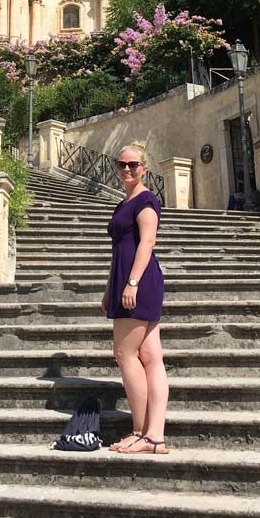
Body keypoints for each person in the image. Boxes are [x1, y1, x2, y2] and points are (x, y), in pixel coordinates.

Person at [101, 141, 169, 454]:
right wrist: (108, 287)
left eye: (133, 165)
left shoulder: (145, 200)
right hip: (127, 281)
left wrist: (131, 283)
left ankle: (141, 432)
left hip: (139, 282)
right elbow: (119, 250)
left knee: (124, 353)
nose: (127, 169)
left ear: (144, 168)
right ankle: (155, 436)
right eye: (122, 164)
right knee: (151, 357)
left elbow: (148, 242)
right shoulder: (123, 203)